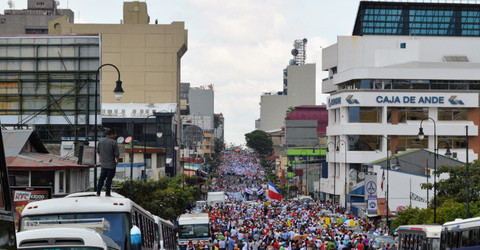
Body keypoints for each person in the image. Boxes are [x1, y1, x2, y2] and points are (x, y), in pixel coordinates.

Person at [96, 128, 119, 196]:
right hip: (111, 164)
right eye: (114, 134)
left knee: (101, 178)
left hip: (103, 164)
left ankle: (98, 192)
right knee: (109, 179)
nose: (114, 136)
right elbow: (117, 154)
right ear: (111, 134)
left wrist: (102, 159)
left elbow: (98, 152)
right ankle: (107, 193)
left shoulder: (100, 141)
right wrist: (117, 162)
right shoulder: (114, 142)